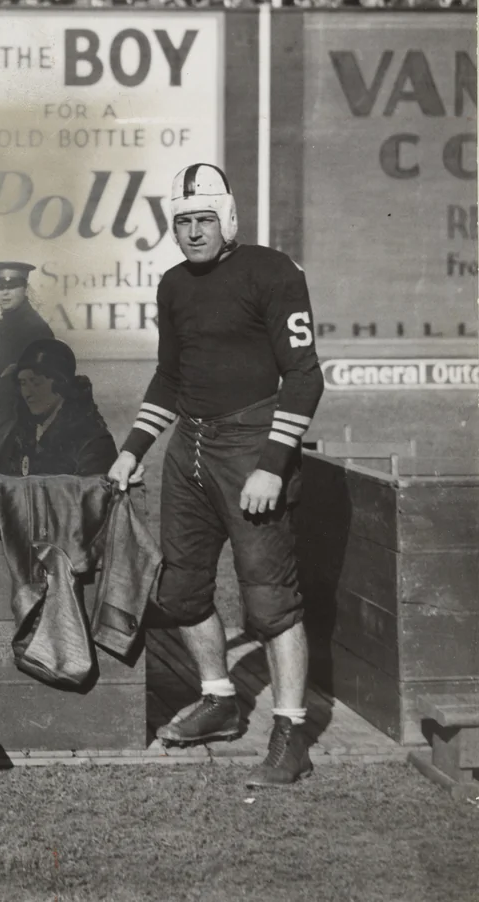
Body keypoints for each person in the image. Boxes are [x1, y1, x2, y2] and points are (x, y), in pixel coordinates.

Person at [108, 163, 325, 786]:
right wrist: (133, 449)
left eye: (204, 220)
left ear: (227, 219)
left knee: (270, 601)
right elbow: (170, 377)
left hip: (252, 444)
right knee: (181, 589)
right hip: (191, 450)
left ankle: (291, 734)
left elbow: (305, 375)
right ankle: (220, 699)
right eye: (183, 222)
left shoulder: (272, 271)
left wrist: (272, 465)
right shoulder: (175, 284)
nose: (194, 232)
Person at [0, 339, 117, 478]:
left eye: (36, 382)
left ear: (61, 384)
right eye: (23, 383)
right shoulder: (19, 434)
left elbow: (94, 495)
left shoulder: (92, 441)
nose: (27, 393)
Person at [0, 262, 54, 443]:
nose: (4, 293)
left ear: (25, 288)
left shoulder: (35, 329)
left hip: (11, 429)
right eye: (0, 286)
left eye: (12, 286)